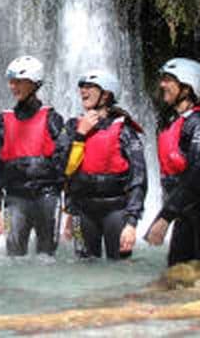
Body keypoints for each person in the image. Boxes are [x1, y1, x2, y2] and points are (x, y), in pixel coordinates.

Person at [144, 57, 200, 266]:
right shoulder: (174, 121)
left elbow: (199, 175)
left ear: (187, 86)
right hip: (185, 212)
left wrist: (165, 217)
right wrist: (166, 215)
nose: (162, 85)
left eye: (168, 80)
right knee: (177, 275)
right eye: (162, 79)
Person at [59, 70, 147, 260]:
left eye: (90, 87)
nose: (83, 90)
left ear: (106, 94)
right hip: (81, 212)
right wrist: (80, 135)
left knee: (120, 266)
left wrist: (132, 223)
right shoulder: (73, 126)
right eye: (82, 87)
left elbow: (139, 179)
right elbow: (62, 170)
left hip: (116, 209)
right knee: (84, 267)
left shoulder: (124, 130)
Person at [0, 56, 65, 256]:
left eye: (18, 81)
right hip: (15, 198)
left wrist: (70, 209)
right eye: (11, 81)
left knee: (47, 257)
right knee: (14, 257)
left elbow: (64, 165)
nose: (13, 86)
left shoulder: (53, 119)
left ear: (34, 83)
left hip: (48, 196)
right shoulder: (2, 121)